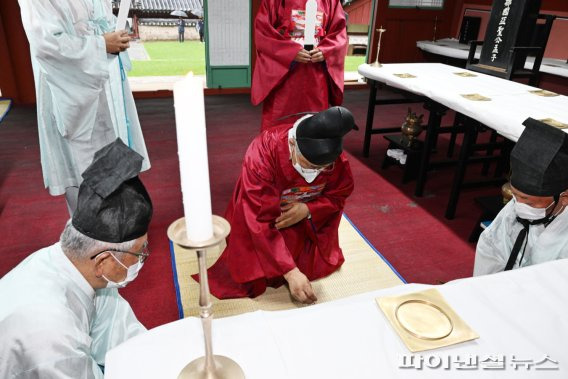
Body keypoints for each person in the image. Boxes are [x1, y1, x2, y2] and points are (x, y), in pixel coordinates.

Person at [0, 139, 153, 378]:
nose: (143, 258)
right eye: (140, 251)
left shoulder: (76, 268)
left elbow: (120, 336)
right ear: (104, 261)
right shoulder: (52, 332)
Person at [198, 106, 355, 304]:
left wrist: (309, 209)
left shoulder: (334, 158)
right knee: (254, 271)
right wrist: (290, 271)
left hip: (301, 214)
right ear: (292, 143)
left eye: (322, 168)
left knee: (310, 264)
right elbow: (256, 214)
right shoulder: (263, 152)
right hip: (261, 212)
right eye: (309, 165)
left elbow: (339, 195)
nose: (315, 173)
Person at [18, 0, 151, 214]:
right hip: (67, 85)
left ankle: (119, 226)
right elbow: (46, 42)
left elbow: (99, 18)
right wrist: (101, 44)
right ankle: (89, 233)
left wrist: (113, 36)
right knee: (81, 165)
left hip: (101, 77)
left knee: (110, 156)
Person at [474, 118, 568, 276]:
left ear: (564, 198)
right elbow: (491, 245)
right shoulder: (516, 206)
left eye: (528, 202)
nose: (518, 205)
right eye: (515, 195)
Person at [251, 0, 348, 130]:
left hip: (316, 73)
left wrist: (325, 50)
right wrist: (290, 52)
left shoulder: (331, 2)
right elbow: (263, 32)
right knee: (280, 123)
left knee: (315, 123)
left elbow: (339, 34)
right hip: (285, 75)